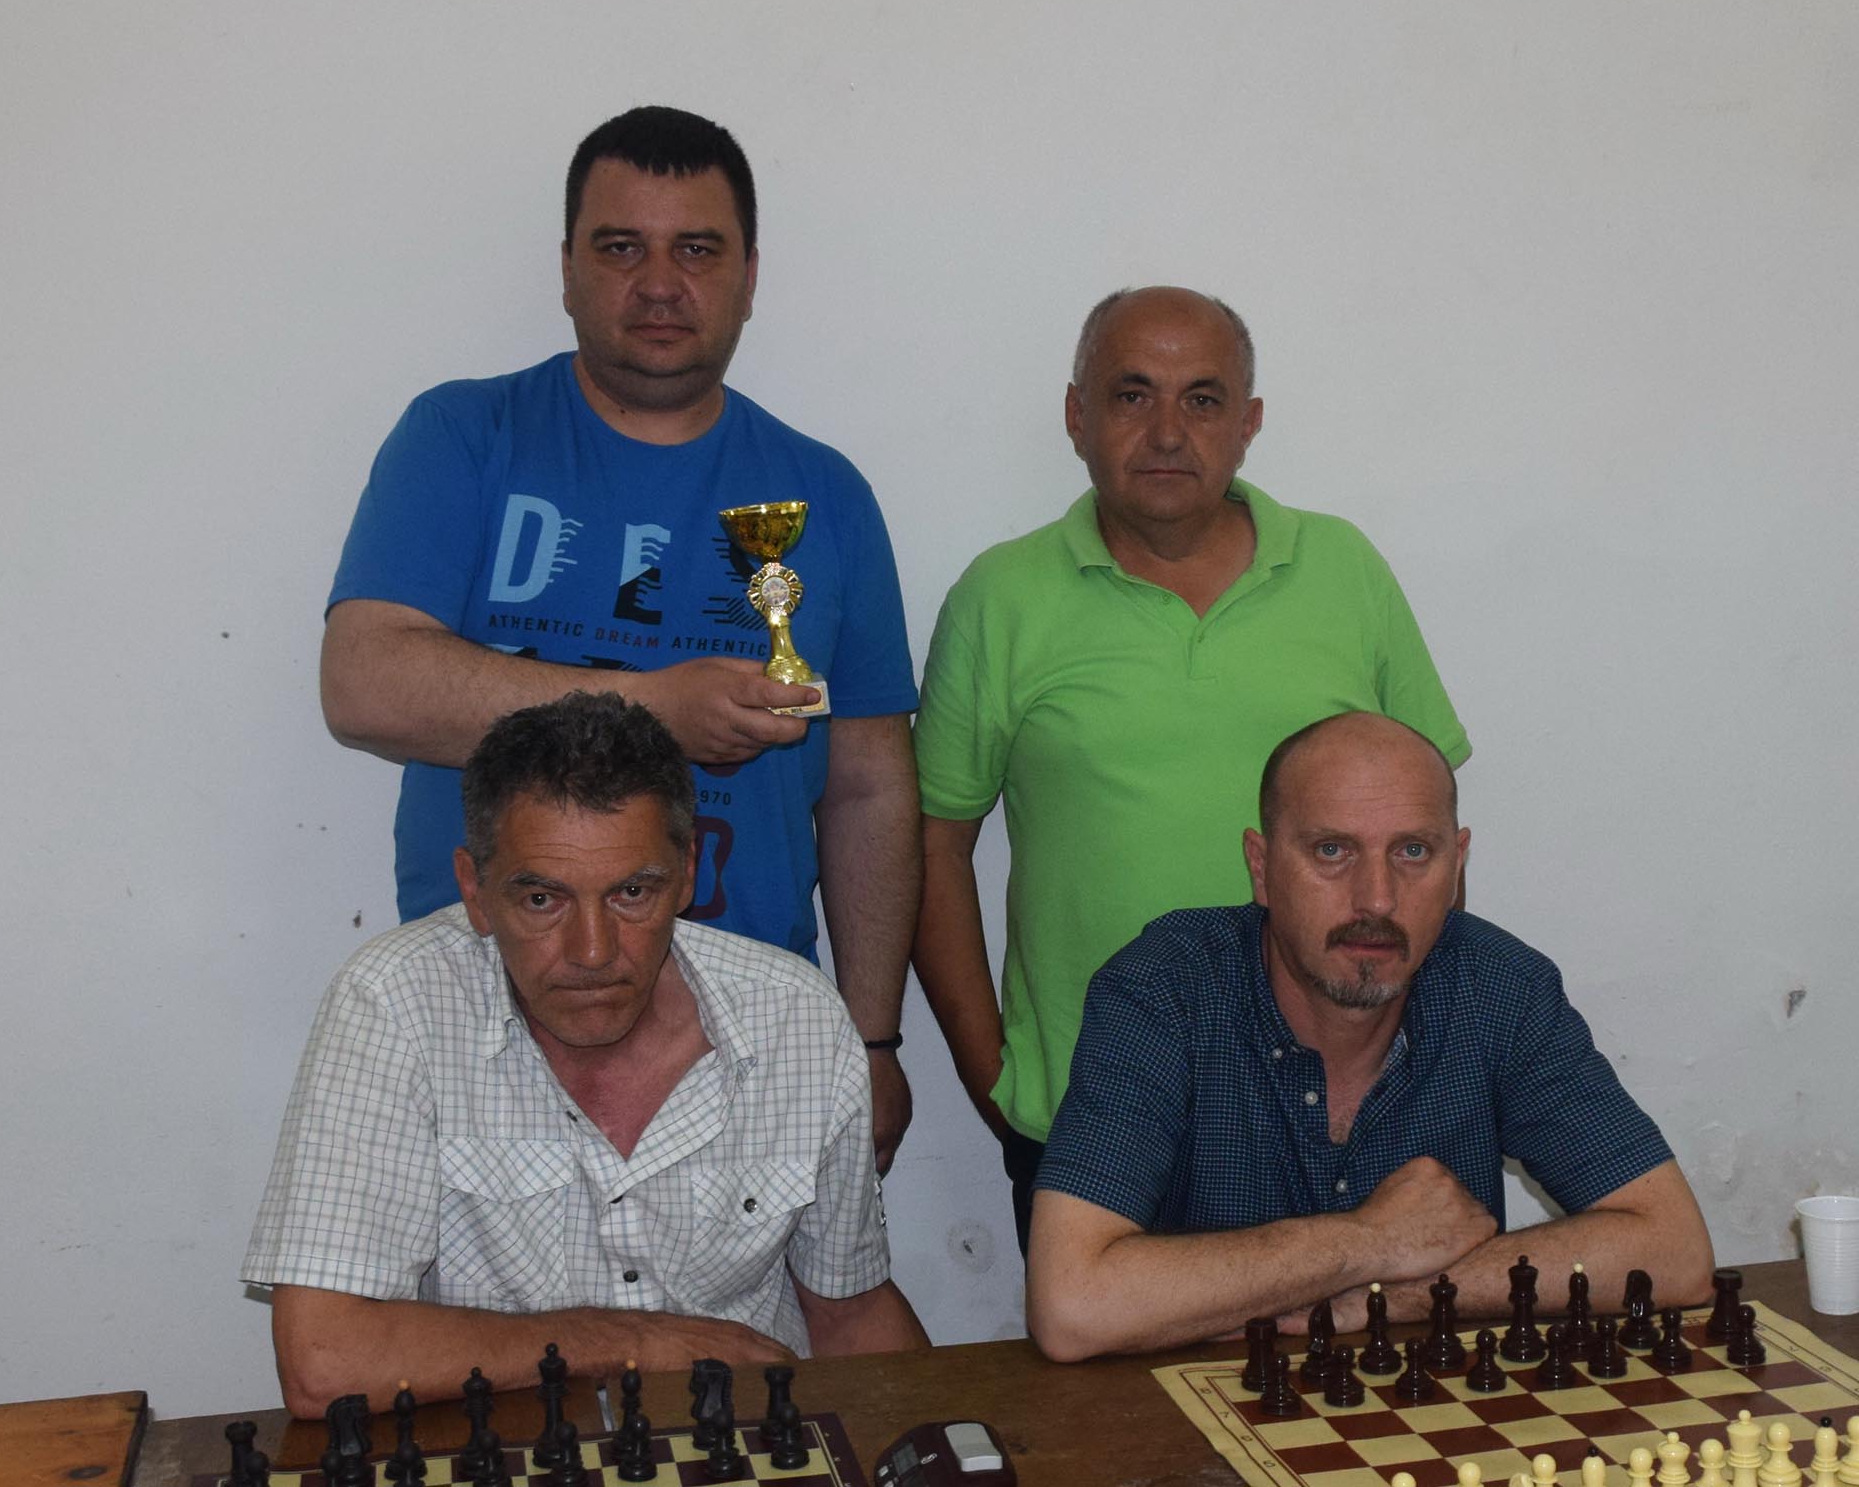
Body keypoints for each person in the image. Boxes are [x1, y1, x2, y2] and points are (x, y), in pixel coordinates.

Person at [319, 106, 920, 1167]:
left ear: (748, 275)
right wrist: (655, 707)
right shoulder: (463, 437)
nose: (659, 284)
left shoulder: (826, 493)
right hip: (483, 1011)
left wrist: (870, 1039)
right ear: (566, 267)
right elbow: (363, 684)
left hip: (750, 1030)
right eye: (620, 247)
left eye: (697, 250)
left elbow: (870, 788)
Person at [911, 286, 1470, 1251]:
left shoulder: (1343, 569)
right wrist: (992, 1074)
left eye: (1203, 400)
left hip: (1340, 1108)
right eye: (1132, 395)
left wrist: (1425, 1060)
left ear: (1248, 424)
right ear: (1077, 416)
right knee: (1100, 1354)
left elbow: (1428, 828)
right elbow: (931, 845)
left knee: (1364, 1353)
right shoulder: (1001, 597)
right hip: (1097, 1114)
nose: (1168, 432)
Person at [244, 692, 928, 1416]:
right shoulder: (394, 1004)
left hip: (745, 1443)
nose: (593, 953)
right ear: (475, 891)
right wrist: (632, 1343)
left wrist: (949, 1443)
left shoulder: (795, 1016)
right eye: (543, 900)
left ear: (688, 873)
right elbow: (325, 1360)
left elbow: (849, 1312)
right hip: (502, 1448)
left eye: (632, 892)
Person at [1025, 712, 1714, 1362]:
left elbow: (1676, 1252)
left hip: (1431, 1417)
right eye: (1332, 851)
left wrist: (1387, 1297)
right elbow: (1071, 1305)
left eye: (1413, 851)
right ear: (1262, 868)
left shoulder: (1501, 989)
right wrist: (1369, 1240)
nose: (1377, 899)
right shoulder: (1164, 991)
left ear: (1457, 866)